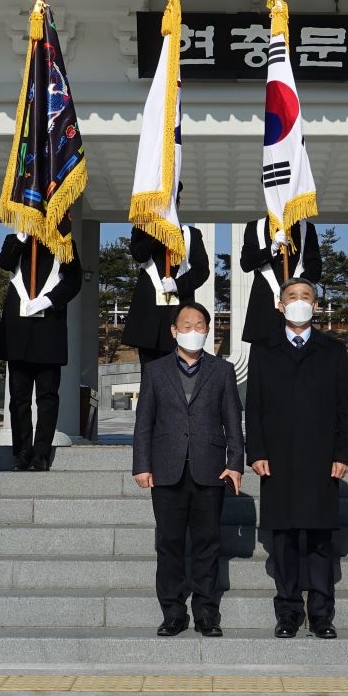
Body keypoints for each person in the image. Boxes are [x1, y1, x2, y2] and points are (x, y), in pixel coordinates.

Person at [245, 276, 348, 638]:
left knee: (321, 539)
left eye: (306, 296)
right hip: (276, 458)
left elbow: (344, 408)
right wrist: (256, 452)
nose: (299, 301)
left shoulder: (333, 350)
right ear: (280, 305)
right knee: (284, 539)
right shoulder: (263, 349)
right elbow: (254, 407)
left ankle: (322, 613)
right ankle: (289, 611)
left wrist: (344, 454)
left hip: (321, 457)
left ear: (317, 306)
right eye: (292, 296)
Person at [131, 302, 244, 637]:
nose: (193, 330)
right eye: (186, 324)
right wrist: (142, 465)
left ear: (208, 331)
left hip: (210, 469)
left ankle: (207, 612)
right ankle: (173, 612)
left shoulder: (222, 371)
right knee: (169, 542)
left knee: (208, 542)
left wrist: (235, 463)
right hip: (166, 468)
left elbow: (232, 422)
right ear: (173, 331)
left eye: (199, 325)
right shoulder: (155, 371)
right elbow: (144, 423)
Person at [0, 230, 83, 471]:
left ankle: (41, 454)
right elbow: (4, 262)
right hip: (18, 332)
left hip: (48, 329)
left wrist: (50, 299)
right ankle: (22, 451)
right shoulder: (15, 240)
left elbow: (73, 281)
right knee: (19, 398)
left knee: (47, 397)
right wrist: (21, 239)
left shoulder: (65, 243)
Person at [122, 220, 210, 365]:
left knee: (179, 374)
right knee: (149, 376)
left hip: (178, 313)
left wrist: (178, 284)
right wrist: (157, 233)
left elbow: (202, 270)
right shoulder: (142, 229)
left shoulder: (190, 234)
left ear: (178, 203)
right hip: (149, 317)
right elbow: (139, 255)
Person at [237, 217, 322, 345]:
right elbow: (246, 264)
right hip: (265, 308)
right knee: (264, 357)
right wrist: (272, 249)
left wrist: (298, 285)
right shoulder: (255, 226)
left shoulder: (306, 227)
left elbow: (315, 267)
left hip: (297, 306)